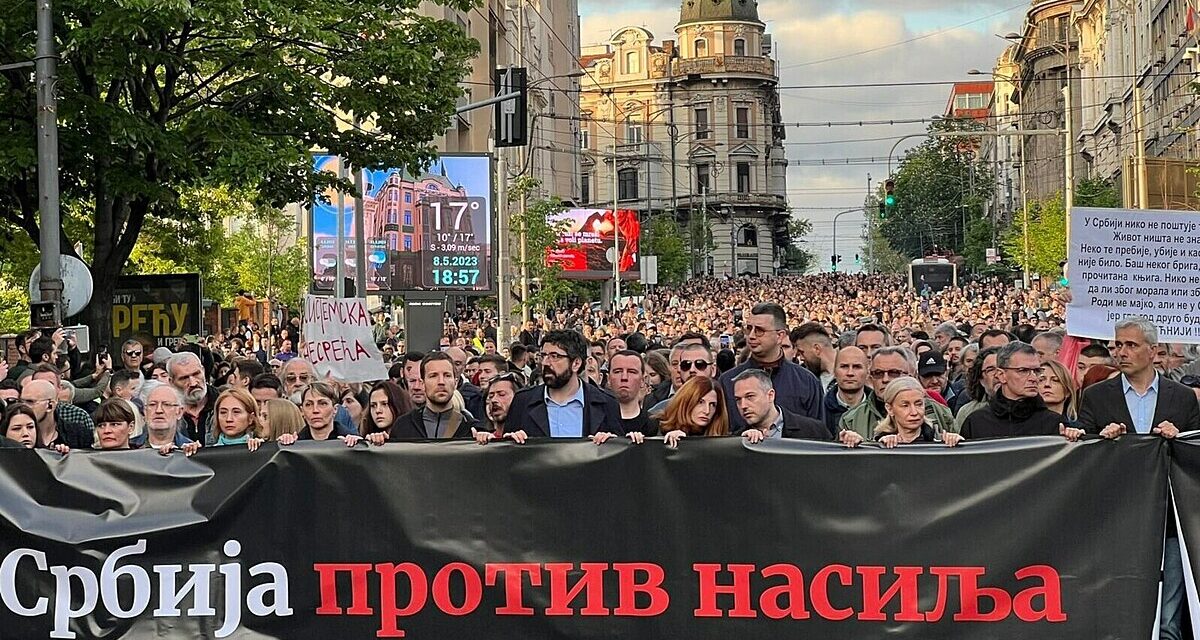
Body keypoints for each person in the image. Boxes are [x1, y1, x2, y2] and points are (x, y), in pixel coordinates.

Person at [1078, 317, 1198, 640]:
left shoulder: (1183, 397)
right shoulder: (1096, 397)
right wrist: (1100, 440)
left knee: (1168, 623)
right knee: (1123, 614)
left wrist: (1180, 438)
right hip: (1117, 520)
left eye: (1130, 345)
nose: (1121, 352)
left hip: (1171, 523)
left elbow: (1195, 455)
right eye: (1117, 345)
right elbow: (1081, 455)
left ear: (1153, 350)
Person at [719, 303, 824, 433]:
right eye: (749, 329)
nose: (751, 336)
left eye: (759, 330)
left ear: (780, 336)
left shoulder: (806, 381)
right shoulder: (727, 381)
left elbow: (818, 435)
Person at [505, 330, 624, 443]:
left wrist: (611, 442)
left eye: (555, 356)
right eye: (544, 355)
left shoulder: (606, 403)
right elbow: (508, 456)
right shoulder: (523, 402)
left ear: (576, 363)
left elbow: (619, 456)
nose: (546, 362)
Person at [961, 342, 1082, 440]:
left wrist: (1074, 440)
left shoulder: (1055, 423)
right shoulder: (976, 422)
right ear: (1001, 375)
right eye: (1023, 371)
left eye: (1037, 371)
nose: (1034, 378)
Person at [838, 346, 954, 440]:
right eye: (878, 373)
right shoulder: (851, 419)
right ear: (870, 377)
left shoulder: (941, 413)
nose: (885, 379)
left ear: (909, 375)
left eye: (894, 373)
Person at [840, 377, 963, 448]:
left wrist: (957, 445)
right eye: (905, 405)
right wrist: (857, 445)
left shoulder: (939, 440)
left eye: (919, 404)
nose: (914, 412)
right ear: (890, 409)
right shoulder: (876, 443)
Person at [387, 352, 477, 440]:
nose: (441, 382)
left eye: (447, 375)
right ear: (423, 383)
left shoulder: (472, 429)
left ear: (455, 383)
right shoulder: (403, 426)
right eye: (433, 376)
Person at [736, 370, 831, 443]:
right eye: (738, 400)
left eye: (750, 397)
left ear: (770, 395)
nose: (743, 406)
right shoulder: (737, 439)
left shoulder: (813, 430)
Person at [278, 382, 360, 446]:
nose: (315, 410)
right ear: (302, 411)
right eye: (309, 404)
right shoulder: (294, 445)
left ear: (335, 409)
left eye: (323, 404)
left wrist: (358, 445)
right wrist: (283, 444)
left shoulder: (353, 441)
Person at [656, 376, 729, 448]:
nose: (707, 411)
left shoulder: (722, 438)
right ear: (686, 402)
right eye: (700, 402)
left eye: (712, 404)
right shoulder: (656, 426)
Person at [20, 379, 92, 449]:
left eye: (30, 402)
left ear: (50, 406)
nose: (24, 407)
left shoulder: (79, 434)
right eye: (21, 402)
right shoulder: (14, 433)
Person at [648, 342, 714, 416]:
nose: (692, 370)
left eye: (700, 364)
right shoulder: (659, 412)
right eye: (686, 365)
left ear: (713, 370)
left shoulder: (727, 402)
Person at [135, 382, 201, 456]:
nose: (158, 410)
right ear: (145, 412)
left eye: (166, 404)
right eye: (152, 404)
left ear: (179, 412)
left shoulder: (190, 450)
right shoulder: (130, 447)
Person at [167, 352, 217, 443]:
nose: (193, 383)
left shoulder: (224, 403)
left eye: (196, 374)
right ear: (171, 382)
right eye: (184, 378)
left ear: (203, 370)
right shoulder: (165, 411)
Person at [953, 347, 1003, 431]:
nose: (998, 375)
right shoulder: (967, 413)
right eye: (991, 370)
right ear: (981, 379)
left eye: (1002, 368)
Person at [823, 346, 868, 436]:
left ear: (867, 372)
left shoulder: (881, 410)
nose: (850, 373)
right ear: (834, 372)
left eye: (857, 367)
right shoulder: (820, 409)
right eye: (844, 366)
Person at [608, 350, 650, 436]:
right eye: (618, 371)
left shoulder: (655, 424)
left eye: (631, 372)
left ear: (642, 380)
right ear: (608, 379)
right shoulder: (595, 422)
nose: (624, 377)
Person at [791, 322, 836, 390]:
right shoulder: (804, 380)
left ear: (817, 349)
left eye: (802, 352)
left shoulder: (852, 372)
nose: (801, 358)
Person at [1039, 360, 1079, 426]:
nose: (1047, 384)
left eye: (1055, 380)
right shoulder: (1023, 424)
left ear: (1067, 391)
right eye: (1041, 380)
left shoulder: (1077, 428)